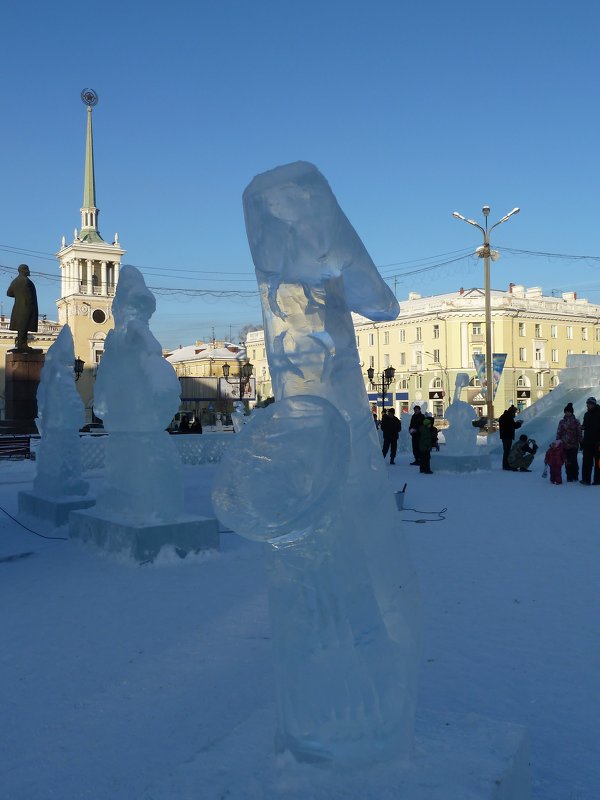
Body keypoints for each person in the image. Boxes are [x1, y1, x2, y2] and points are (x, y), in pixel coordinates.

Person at [6, 264, 39, 352]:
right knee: (24, 326)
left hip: (17, 308)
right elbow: (30, 297)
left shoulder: (15, 281)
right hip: (27, 307)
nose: (29, 271)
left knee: (21, 326)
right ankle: (22, 345)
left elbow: (9, 293)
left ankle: (21, 344)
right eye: (27, 269)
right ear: (24, 270)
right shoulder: (26, 281)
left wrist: (18, 295)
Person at [556, 402, 582, 482]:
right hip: (564, 444)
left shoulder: (576, 421)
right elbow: (559, 432)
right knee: (567, 460)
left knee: (573, 460)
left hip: (574, 444)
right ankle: (569, 476)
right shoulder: (561, 422)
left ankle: (575, 475)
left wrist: (581, 441)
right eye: (566, 412)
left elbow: (579, 432)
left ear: (571, 412)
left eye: (568, 412)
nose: (567, 413)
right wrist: (557, 442)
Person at [580, 396, 600, 485]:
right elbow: (585, 425)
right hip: (587, 442)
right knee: (586, 461)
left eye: (589, 404)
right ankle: (586, 480)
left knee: (598, 463)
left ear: (593, 404)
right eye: (587, 404)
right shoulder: (586, 414)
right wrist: (582, 427)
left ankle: (597, 480)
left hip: (598, 442)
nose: (588, 405)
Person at [499, 405, 522, 470]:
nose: (515, 414)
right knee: (507, 451)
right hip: (507, 436)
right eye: (514, 412)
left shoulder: (504, 416)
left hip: (504, 436)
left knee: (506, 451)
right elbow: (513, 426)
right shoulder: (508, 417)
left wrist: (516, 423)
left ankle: (506, 465)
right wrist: (519, 423)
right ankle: (506, 466)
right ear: (512, 412)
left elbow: (510, 425)